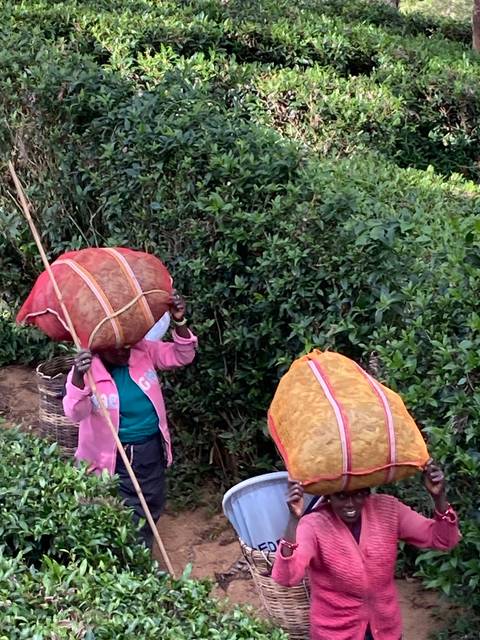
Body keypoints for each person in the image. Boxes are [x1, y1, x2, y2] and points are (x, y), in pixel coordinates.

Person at [63, 290, 197, 549]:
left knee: (152, 503)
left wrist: (179, 321)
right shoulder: (89, 370)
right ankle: (133, 567)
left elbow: (183, 355)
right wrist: (79, 379)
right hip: (113, 458)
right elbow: (74, 413)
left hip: (150, 449)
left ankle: (137, 558)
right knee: (122, 513)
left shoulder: (142, 351)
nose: (126, 351)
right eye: (118, 347)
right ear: (101, 346)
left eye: (129, 342)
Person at [272, 461, 461, 640]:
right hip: (335, 633)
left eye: (359, 494)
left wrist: (439, 498)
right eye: (341, 496)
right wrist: (294, 519)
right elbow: (287, 577)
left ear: (368, 492)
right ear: (328, 496)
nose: (350, 504)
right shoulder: (314, 525)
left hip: (386, 629)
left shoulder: (388, 510)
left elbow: (444, 539)